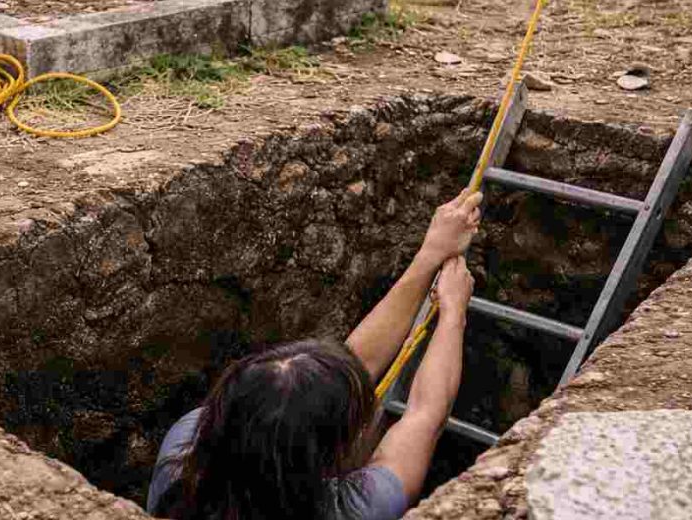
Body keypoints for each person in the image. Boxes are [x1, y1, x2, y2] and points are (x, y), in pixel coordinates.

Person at [147, 188, 485, 520]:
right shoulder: (354, 509)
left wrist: (429, 255)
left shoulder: (181, 453)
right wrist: (454, 313)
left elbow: (353, 366)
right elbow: (424, 416)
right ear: (326, 456)